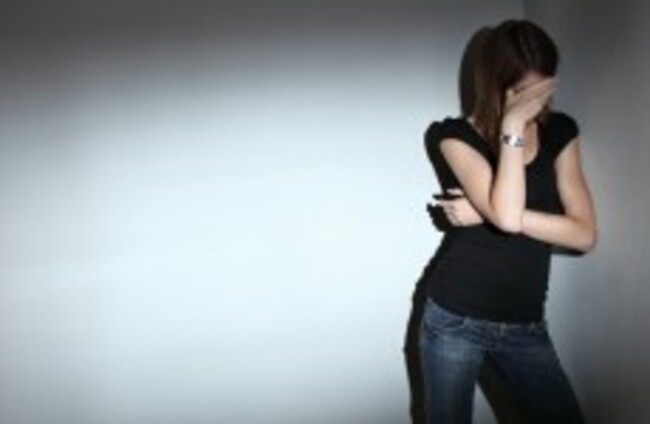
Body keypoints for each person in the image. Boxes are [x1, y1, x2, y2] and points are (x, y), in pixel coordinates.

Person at [418, 19, 597, 424]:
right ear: (495, 84)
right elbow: (507, 216)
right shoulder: (453, 135)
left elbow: (583, 234)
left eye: (543, 88)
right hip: (455, 318)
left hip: (525, 324)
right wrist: (512, 127)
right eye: (523, 92)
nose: (536, 102)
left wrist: (485, 212)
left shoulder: (560, 132)